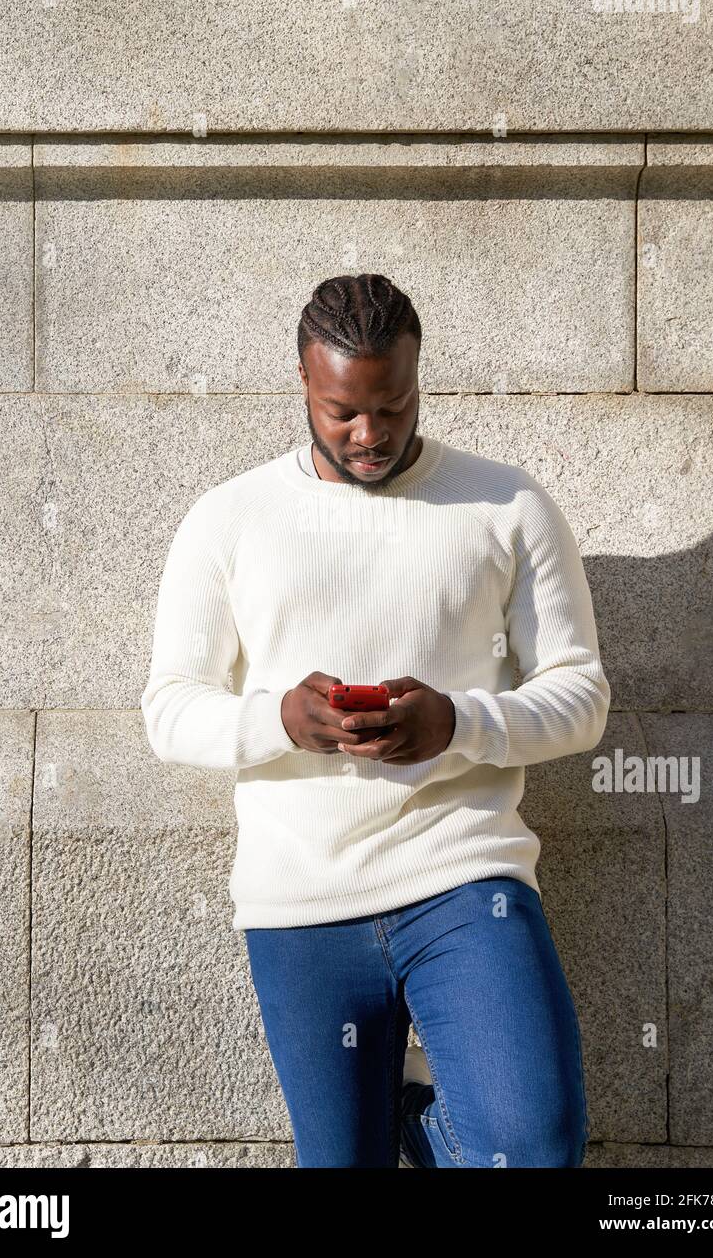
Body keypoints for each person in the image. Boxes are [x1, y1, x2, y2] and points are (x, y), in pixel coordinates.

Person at [141, 272, 610, 1168]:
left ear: (418, 378)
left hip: (466, 877)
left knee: (534, 1145)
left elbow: (580, 695)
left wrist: (460, 722)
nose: (368, 435)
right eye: (341, 411)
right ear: (304, 385)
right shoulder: (228, 520)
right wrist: (283, 719)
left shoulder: (507, 506)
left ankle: (421, 1121)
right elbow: (169, 710)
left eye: (391, 408)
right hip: (302, 900)